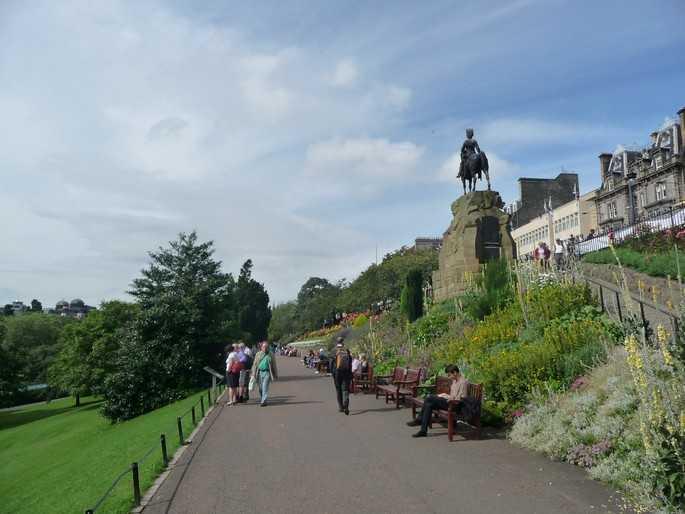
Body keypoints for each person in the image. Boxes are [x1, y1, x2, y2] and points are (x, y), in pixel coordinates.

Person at [407, 364, 468, 438]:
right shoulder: (454, 381)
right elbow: (453, 395)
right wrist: (446, 396)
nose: (449, 377)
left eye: (449, 375)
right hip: (449, 402)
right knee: (429, 405)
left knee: (429, 398)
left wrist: (451, 398)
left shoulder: (463, 382)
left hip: (455, 405)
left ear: (454, 372)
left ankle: (419, 419)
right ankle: (423, 431)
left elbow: (463, 398)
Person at [251, 341, 278, 406]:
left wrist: (275, 374)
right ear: (261, 347)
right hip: (259, 372)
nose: (265, 348)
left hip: (267, 372)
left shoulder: (271, 354)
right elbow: (255, 364)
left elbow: (274, 364)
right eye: (264, 347)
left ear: (268, 347)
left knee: (264, 387)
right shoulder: (258, 354)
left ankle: (263, 401)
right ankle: (262, 398)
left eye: (266, 347)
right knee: (260, 388)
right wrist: (253, 373)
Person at [332, 337, 353, 415]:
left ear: (337, 342)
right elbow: (350, 361)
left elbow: (331, 363)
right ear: (343, 342)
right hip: (346, 373)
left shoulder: (334, 350)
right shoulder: (346, 350)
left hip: (337, 373)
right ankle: (346, 404)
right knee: (345, 389)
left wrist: (332, 373)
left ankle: (341, 407)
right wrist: (350, 373)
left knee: (338, 389)